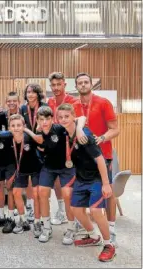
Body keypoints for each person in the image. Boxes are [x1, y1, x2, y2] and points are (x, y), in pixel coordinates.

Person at [56, 103, 115, 262]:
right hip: (82, 178)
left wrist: (106, 183)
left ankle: (109, 245)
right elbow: (81, 118)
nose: (63, 119)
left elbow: (100, 159)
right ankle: (93, 236)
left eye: (67, 116)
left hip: (97, 177)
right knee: (75, 209)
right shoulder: (65, 134)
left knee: (96, 211)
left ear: (73, 117)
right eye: (60, 117)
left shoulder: (85, 136)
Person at [73, 72, 120, 245]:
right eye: (80, 83)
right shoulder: (74, 105)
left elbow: (115, 129)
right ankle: (92, 232)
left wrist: (102, 138)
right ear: (76, 86)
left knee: (107, 193)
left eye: (86, 82)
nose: (83, 85)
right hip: (82, 161)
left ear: (91, 84)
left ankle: (111, 228)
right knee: (80, 200)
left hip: (103, 156)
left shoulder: (103, 103)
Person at [29, 106, 86, 244]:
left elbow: (81, 118)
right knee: (42, 192)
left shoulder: (60, 128)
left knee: (67, 194)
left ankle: (71, 228)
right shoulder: (38, 134)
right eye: (41, 119)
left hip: (67, 167)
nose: (44, 122)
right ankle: (47, 227)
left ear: (52, 119)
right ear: (37, 120)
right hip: (49, 167)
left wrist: (79, 129)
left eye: (47, 119)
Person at [47, 72, 79, 226]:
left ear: (65, 84)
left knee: (71, 184)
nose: (56, 88)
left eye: (59, 84)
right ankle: (61, 211)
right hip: (56, 147)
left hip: (71, 147)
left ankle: (76, 214)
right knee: (56, 182)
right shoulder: (49, 102)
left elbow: (79, 123)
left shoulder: (74, 101)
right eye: (53, 85)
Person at [18, 83, 48, 222]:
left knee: (42, 182)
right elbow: (20, 126)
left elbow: (44, 127)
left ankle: (44, 210)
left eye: (33, 92)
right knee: (30, 179)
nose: (30, 94)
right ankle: (30, 207)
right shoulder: (22, 108)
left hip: (43, 145)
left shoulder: (43, 107)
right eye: (28, 92)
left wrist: (29, 130)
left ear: (38, 94)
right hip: (28, 146)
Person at [9, 114, 41, 236]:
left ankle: (37, 222)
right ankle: (23, 220)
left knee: (36, 194)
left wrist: (28, 131)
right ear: (9, 127)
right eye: (13, 126)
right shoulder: (8, 139)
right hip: (20, 170)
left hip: (35, 169)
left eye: (19, 125)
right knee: (16, 192)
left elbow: (40, 140)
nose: (16, 128)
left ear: (24, 126)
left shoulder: (29, 137)